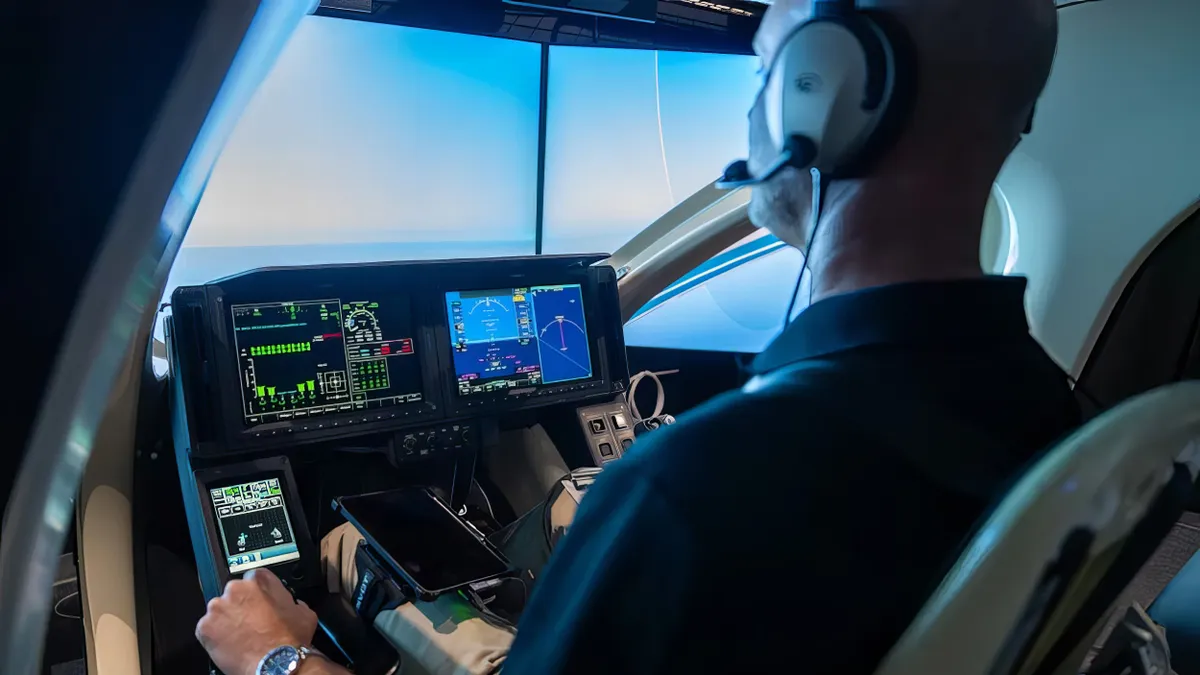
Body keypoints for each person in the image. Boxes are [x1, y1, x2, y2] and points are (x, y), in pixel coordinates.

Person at [196, 0, 1079, 672]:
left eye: (768, 73)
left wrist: (278, 655)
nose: (755, 116)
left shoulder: (692, 497)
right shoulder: (1061, 421)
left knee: (349, 561)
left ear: (831, 93)